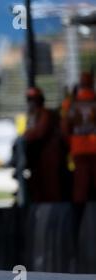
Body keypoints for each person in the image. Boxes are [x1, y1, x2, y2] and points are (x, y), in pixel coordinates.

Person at [23, 87, 64, 202]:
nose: (31, 102)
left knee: (51, 187)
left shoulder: (44, 113)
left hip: (49, 156)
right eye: (29, 99)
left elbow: (39, 133)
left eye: (34, 99)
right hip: (37, 157)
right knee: (37, 186)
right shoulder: (32, 115)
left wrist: (27, 136)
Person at [61, 71, 96, 204]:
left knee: (80, 186)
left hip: (78, 148)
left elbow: (64, 126)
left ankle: (79, 215)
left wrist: (69, 142)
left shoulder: (70, 103)